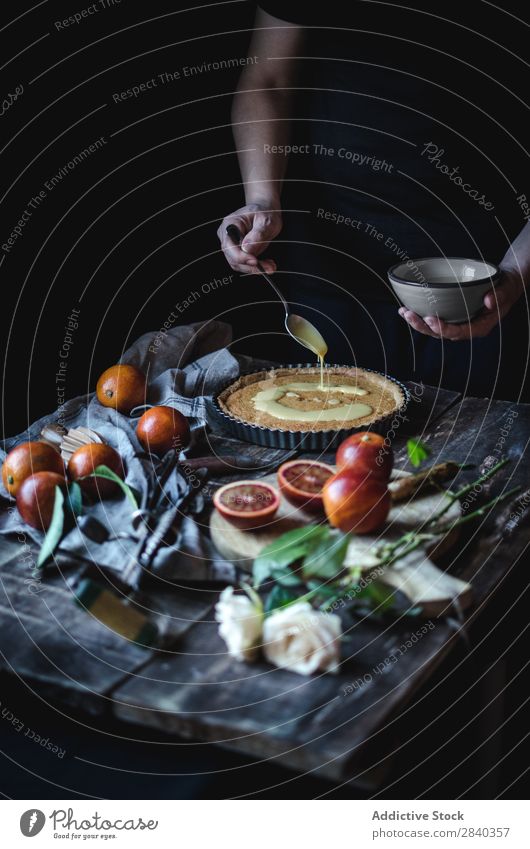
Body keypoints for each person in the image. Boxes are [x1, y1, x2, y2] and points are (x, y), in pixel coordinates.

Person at [217, 2, 529, 400]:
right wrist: (261, 199)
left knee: (475, 445)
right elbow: (268, 78)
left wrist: (518, 273)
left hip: (482, 267)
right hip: (329, 251)